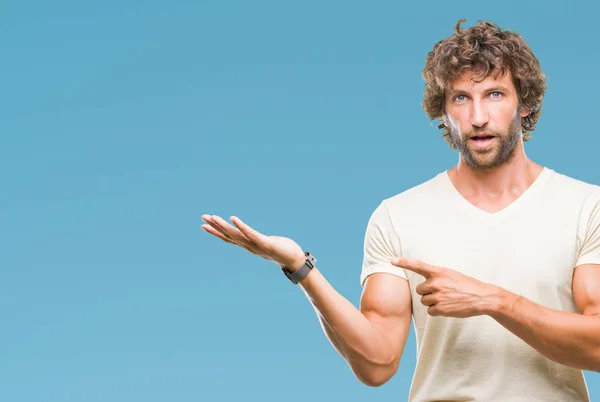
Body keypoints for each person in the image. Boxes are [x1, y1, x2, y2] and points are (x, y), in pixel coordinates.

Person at [201, 19, 600, 401]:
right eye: (461, 98)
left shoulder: (586, 207)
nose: (478, 117)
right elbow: (377, 365)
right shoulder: (398, 216)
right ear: (443, 113)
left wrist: (494, 301)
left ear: (524, 105)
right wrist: (301, 269)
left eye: (495, 94)